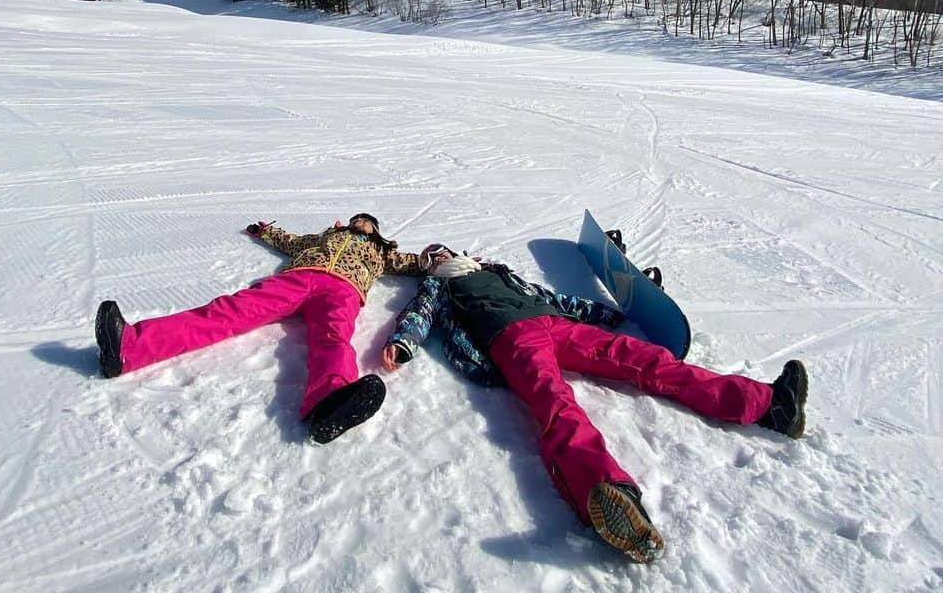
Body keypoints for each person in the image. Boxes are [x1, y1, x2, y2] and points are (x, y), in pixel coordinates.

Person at [382, 245, 809, 564]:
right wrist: (403, 343)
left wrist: (605, 315)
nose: (443, 256)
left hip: (554, 324)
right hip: (510, 339)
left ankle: (768, 404)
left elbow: (553, 298)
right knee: (556, 404)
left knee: (646, 360)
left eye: (445, 251)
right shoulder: (440, 287)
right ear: (432, 265)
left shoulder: (497, 271)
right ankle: (602, 495)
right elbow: (417, 317)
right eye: (435, 256)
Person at [95, 213, 431, 444]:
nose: (362, 223)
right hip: (300, 278)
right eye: (359, 219)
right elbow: (288, 241)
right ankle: (129, 347)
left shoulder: (382, 252)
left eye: (368, 223)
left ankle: (330, 402)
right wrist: (265, 231)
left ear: (377, 231)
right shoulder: (321, 238)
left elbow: (416, 264)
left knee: (334, 337)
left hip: (343, 290)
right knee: (229, 311)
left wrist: (443, 262)